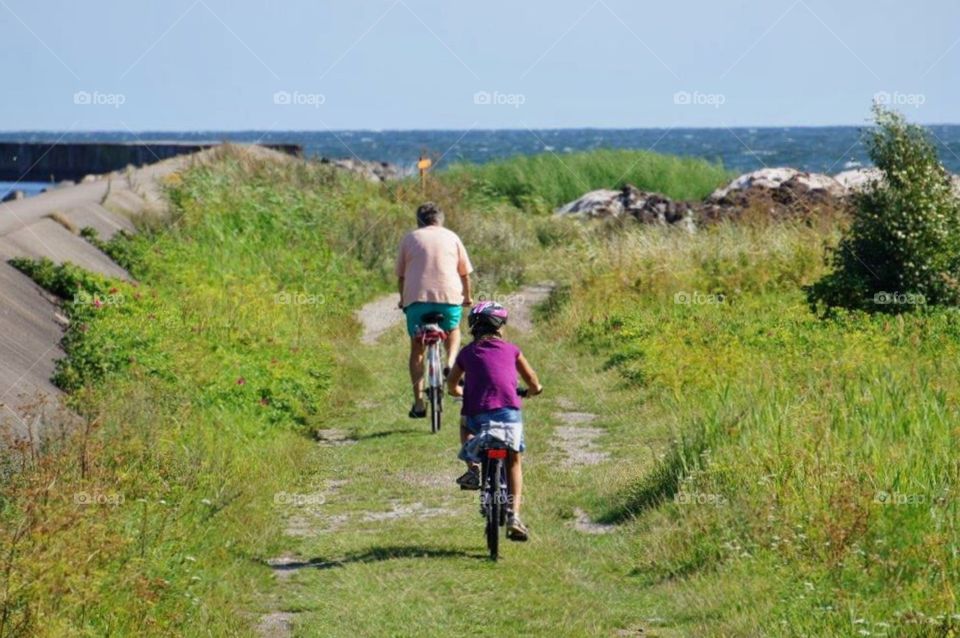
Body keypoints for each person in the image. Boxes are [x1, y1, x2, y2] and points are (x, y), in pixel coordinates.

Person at [446, 302, 543, 542]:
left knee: (465, 424)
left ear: (473, 328)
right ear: (500, 327)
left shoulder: (467, 353)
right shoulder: (512, 350)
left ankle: (472, 469)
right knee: (513, 461)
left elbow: (451, 385)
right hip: (508, 415)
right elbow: (532, 380)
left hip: (477, 414)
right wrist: (534, 390)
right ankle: (514, 516)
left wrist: (461, 391)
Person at [396, 202, 474, 418]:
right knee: (454, 329)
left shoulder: (410, 238)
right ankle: (450, 365)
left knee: (416, 349)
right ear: (441, 220)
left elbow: (401, 277)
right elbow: (465, 274)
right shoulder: (452, 237)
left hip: (416, 301)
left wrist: (403, 300)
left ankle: (419, 404)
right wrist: (467, 298)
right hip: (448, 299)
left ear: (418, 221)